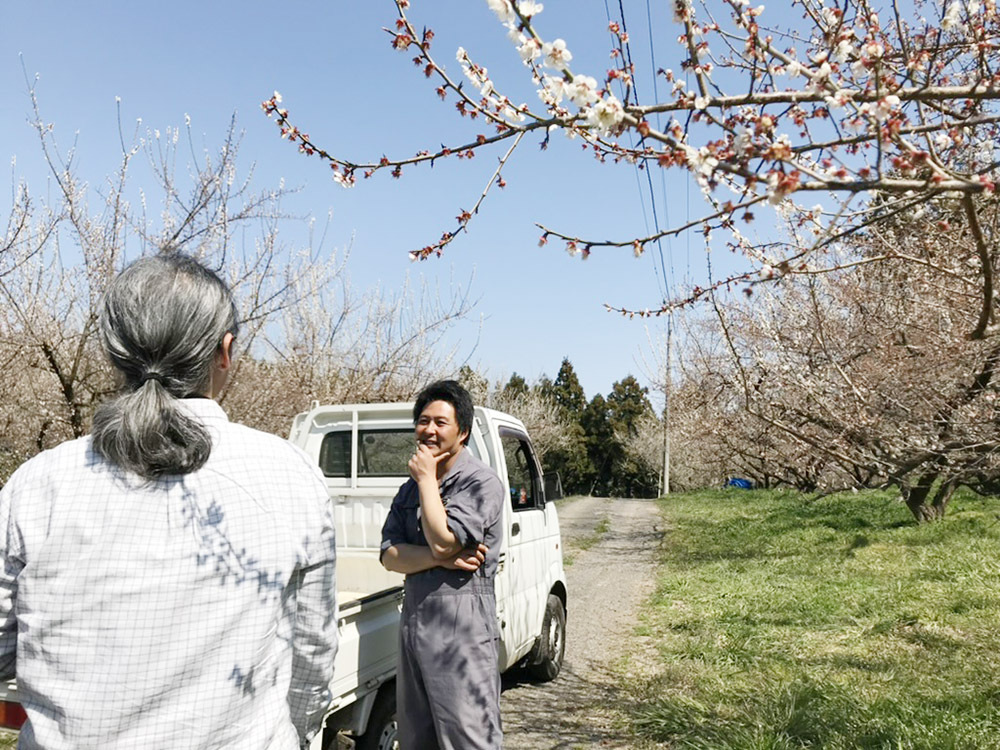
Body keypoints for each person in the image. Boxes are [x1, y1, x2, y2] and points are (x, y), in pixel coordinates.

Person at [0, 252, 338, 749]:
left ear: (115, 352)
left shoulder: (40, 483)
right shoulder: (291, 475)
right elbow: (311, 654)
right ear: (225, 352)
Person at [380, 380, 505, 750]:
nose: (429, 430)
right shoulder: (410, 488)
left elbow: (441, 537)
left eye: (440, 422)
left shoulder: (480, 482)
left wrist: (426, 483)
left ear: (462, 432)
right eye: (423, 420)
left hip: (461, 631)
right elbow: (390, 556)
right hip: (415, 628)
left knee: (467, 739)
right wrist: (443, 558)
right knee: (417, 739)